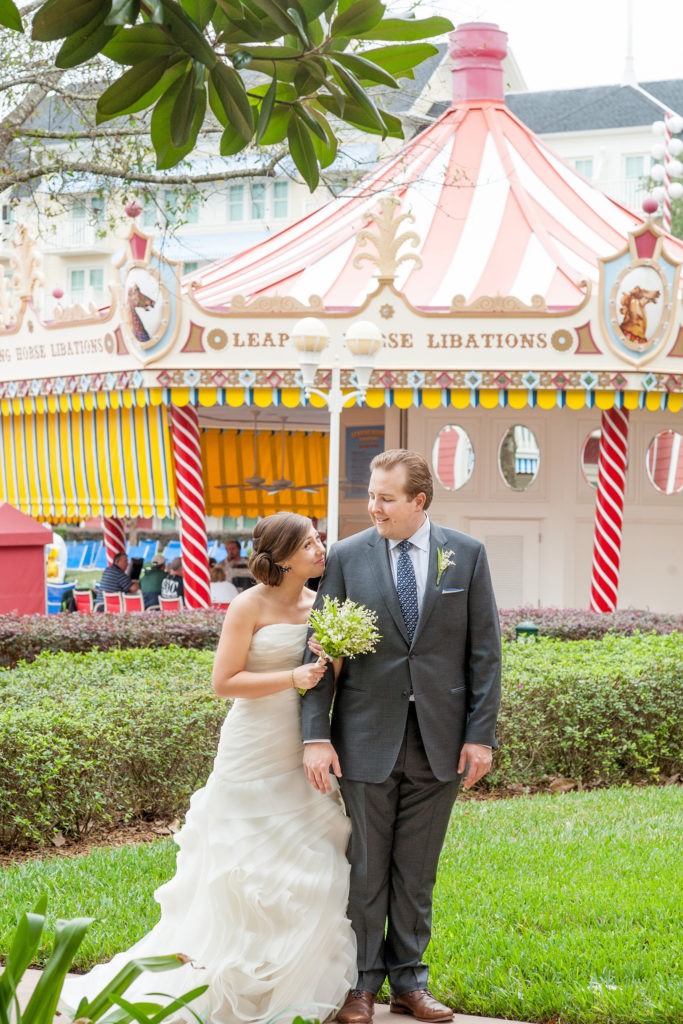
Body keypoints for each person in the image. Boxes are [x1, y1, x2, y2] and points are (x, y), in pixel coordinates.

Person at [61, 511, 356, 1023]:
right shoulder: (248, 605)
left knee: (310, 854)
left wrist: (334, 663)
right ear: (283, 557)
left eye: (318, 540)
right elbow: (224, 681)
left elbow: (331, 677)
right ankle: (222, 969)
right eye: (309, 543)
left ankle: (291, 974)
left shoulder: (323, 604)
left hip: (303, 741)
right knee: (241, 862)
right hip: (253, 743)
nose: (320, 548)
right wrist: (293, 676)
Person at [301, 449, 502, 1024]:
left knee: (416, 870)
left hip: (441, 740)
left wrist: (479, 737)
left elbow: (485, 656)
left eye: (385, 499)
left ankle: (411, 983)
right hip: (364, 737)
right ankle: (360, 986)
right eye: (370, 495)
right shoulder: (345, 556)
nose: (373, 508)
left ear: (419, 501)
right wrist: (317, 735)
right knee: (366, 866)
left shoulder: (466, 555)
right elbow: (318, 653)